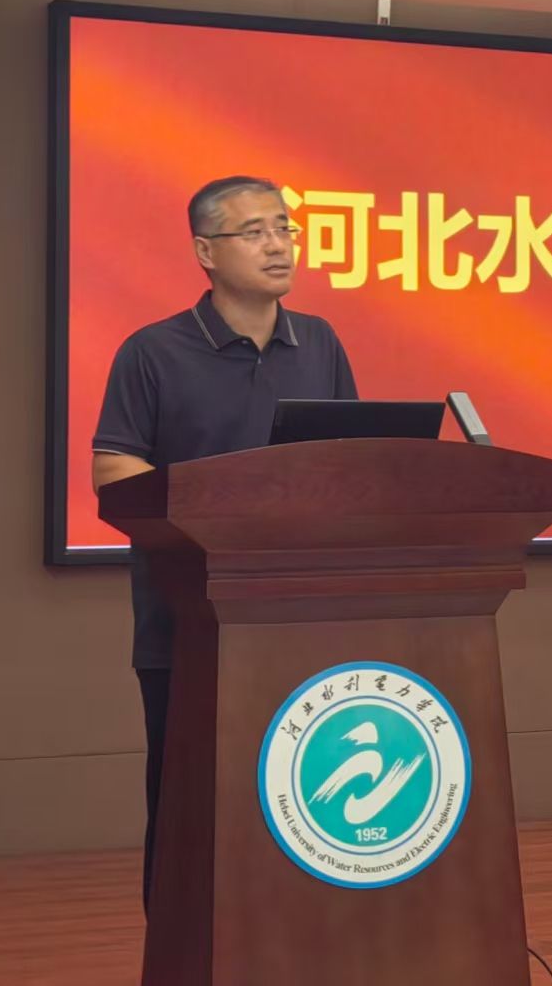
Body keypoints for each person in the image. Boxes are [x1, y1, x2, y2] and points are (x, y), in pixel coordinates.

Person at [90, 175, 357, 910]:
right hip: (190, 622)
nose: (278, 244)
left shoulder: (320, 343)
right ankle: (179, 942)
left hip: (303, 621)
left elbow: (351, 459)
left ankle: (294, 937)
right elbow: (114, 469)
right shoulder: (153, 351)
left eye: (284, 227)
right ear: (206, 252)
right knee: (191, 801)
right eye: (254, 231)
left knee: (300, 801)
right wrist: (220, 515)